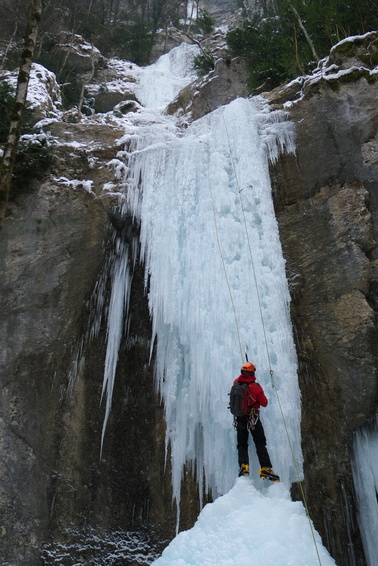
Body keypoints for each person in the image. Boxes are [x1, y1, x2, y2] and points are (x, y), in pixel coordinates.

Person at [234, 361, 280, 481]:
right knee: (260, 442)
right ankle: (265, 468)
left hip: (240, 417)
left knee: (242, 444)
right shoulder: (255, 387)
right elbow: (264, 403)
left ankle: (243, 466)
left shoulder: (236, 383)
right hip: (252, 417)